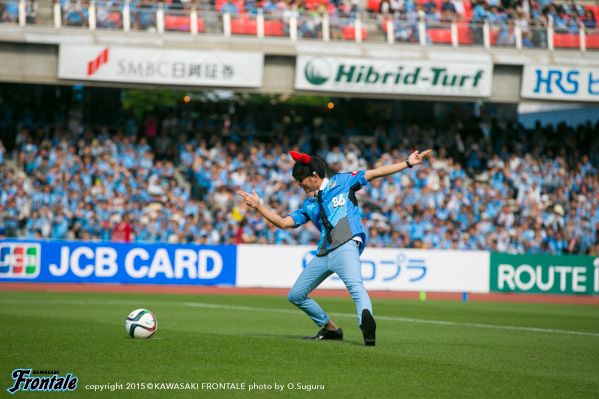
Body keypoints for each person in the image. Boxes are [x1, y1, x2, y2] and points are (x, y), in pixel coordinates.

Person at [237, 149, 431, 346]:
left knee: (356, 288)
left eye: (300, 179)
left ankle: (367, 327)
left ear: (314, 176)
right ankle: (331, 329)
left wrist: (407, 163)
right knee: (295, 295)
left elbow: (375, 172)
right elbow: (283, 223)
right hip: (324, 253)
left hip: (346, 244)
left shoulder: (343, 182)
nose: (298, 184)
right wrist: (259, 205)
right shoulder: (308, 204)